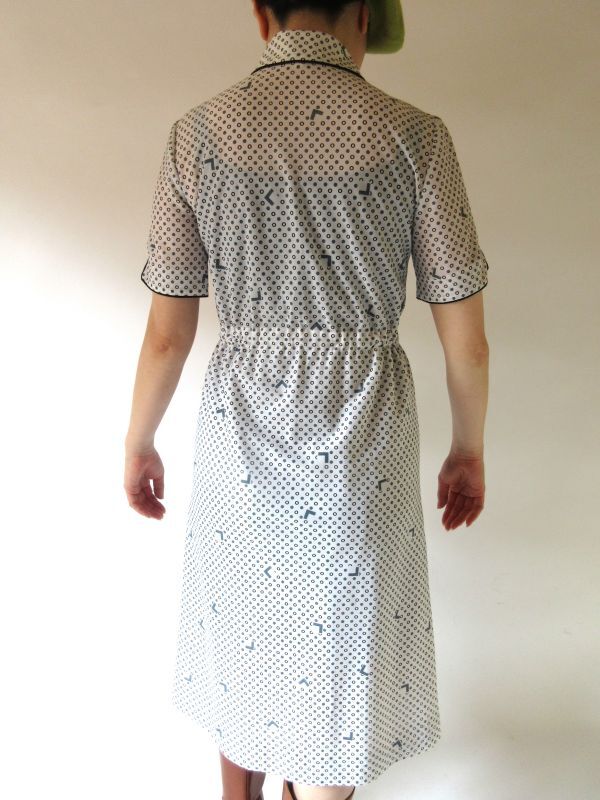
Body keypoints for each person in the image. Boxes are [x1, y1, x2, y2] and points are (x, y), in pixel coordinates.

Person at [123, 1, 489, 799]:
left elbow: (166, 336)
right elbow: (467, 341)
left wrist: (138, 440)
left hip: (241, 428)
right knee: (341, 644)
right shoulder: (417, 137)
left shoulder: (196, 134)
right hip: (364, 437)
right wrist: (467, 450)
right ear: (362, 13)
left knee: (242, 619)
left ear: (262, 14)